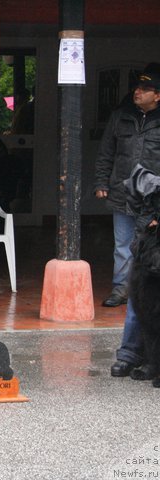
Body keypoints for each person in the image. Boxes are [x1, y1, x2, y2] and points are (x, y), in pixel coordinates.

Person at [96, 70, 160, 377]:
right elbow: (106, 151)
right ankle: (131, 352)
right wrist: (101, 180)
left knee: (148, 284)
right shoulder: (121, 117)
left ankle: (146, 355)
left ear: (157, 95)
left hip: (154, 211)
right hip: (126, 198)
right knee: (135, 273)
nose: (137, 91)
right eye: (137, 87)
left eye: (145, 88)